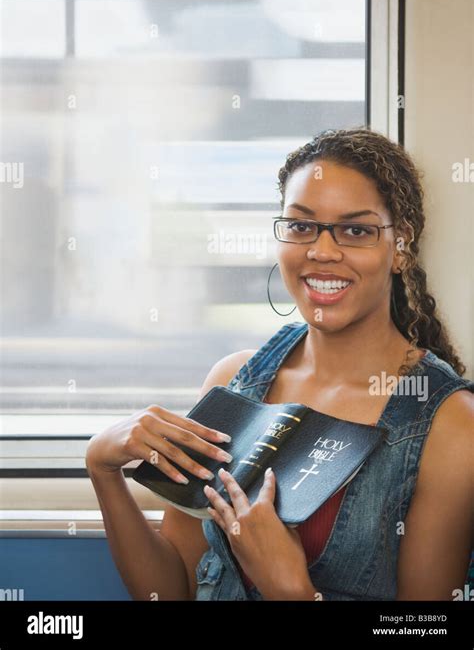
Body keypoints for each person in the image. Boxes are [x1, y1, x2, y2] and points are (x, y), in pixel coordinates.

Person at [86, 127, 473, 601]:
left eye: (356, 230)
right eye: (301, 225)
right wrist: (102, 469)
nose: (322, 251)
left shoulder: (451, 425)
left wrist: (290, 589)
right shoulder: (233, 382)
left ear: (401, 246)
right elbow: (173, 592)